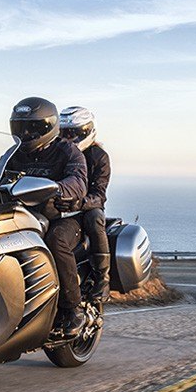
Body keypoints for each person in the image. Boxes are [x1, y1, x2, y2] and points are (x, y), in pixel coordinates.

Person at [5, 97, 88, 336]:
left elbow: (78, 181)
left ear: (49, 127)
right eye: (21, 127)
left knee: (55, 240)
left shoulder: (67, 151)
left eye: (32, 128)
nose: (26, 134)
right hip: (24, 215)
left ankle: (73, 309)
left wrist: (58, 188)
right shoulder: (13, 153)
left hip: (64, 217)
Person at [58, 106, 112, 303]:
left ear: (88, 131)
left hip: (86, 207)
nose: (69, 138)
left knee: (95, 218)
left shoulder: (99, 157)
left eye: (74, 133)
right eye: (64, 133)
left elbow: (99, 195)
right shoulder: (58, 153)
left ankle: (102, 278)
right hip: (60, 206)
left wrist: (80, 203)